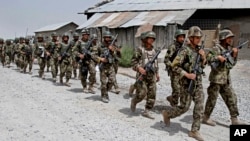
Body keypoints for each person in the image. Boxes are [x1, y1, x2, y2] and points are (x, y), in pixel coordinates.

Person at [162, 26, 206, 141]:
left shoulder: (199, 50)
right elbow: (174, 66)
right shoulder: (184, 50)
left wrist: (204, 58)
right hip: (186, 83)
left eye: (199, 37)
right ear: (191, 38)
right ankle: (168, 114)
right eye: (196, 37)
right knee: (184, 107)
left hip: (198, 83)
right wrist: (187, 75)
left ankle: (194, 130)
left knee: (200, 105)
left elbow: (202, 66)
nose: (199, 39)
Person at [202, 28, 246, 126]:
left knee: (232, 98)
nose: (231, 40)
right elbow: (208, 59)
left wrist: (234, 56)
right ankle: (205, 117)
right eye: (229, 38)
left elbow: (230, 66)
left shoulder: (228, 50)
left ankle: (234, 120)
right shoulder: (216, 49)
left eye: (231, 38)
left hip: (226, 80)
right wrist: (218, 57)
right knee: (212, 99)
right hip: (216, 79)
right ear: (223, 38)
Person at [130, 31, 160, 119]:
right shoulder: (140, 49)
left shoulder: (154, 50)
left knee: (152, 93)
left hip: (152, 75)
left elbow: (156, 63)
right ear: (145, 39)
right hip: (142, 74)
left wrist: (157, 73)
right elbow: (133, 62)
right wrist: (139, 68)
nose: (151, 40)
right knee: (142, 94)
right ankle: (134, 101)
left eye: (152, 38)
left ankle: (147, 110)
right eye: (149, 38)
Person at [164, 29, 186, 106]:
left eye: (183, 37)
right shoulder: (173, 47)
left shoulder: (184, 47)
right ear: (176, 38)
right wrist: (172, 66)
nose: (182, 39)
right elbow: (166, 60)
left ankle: (172, 98)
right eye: (180, 37)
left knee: (182, 89)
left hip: (182, 71)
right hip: (174, 72)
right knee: (176, 89)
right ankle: (174, 105)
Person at [98, 30, 117, 103]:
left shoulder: (112, 46)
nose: (108, 39)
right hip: (103, 67)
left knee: (111, 81)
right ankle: (104, 96)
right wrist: (100, 59)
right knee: (103, 83)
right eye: (107, 37)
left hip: (110, 66)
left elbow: (115, 56)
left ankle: (106, 92)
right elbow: (94, 55)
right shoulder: (99, 46)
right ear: (104, 38)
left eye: (109, 37)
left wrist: (112, 51)